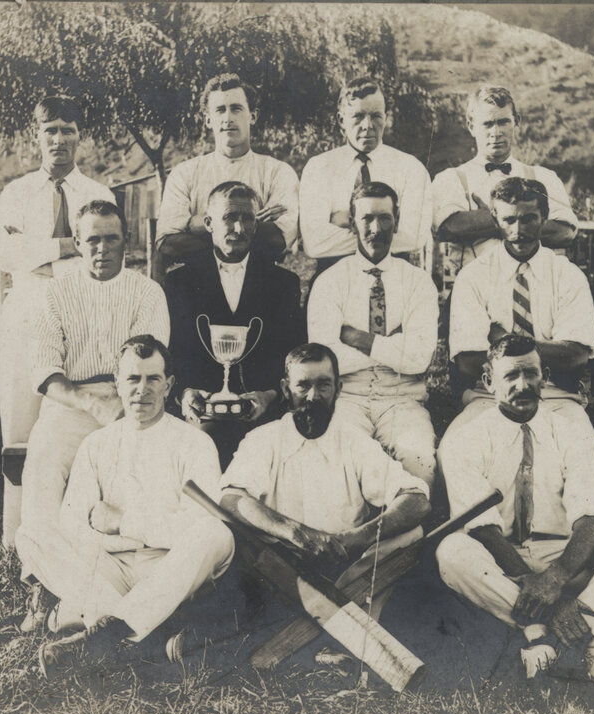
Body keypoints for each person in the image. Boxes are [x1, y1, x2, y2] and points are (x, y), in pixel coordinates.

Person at [436, 334, 594, 682]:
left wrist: (556, 578)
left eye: (531, 374)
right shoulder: (465, 439)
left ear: (545, 375)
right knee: (452, 553)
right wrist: (543, 590)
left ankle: (558, 641)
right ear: (488, 382)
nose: (523, 385)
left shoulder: (572, 431)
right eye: (510, 377)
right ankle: (571, 641)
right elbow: (484, 531)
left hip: (569, 557)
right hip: (505, 564)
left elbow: (589, 522)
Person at [20, 336, 235, 678]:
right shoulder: (96, 443)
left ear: (169, 385)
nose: (142, 389)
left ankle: (101, 631)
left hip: (168, 568)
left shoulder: (195, 443)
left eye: (153, 379)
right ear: (117, 384)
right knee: (31, 534)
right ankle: (139, 632)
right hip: (111, 569)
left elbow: (195, 526)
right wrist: (114, 546)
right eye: (133, 379)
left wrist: (124, 523)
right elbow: (75, 522)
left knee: (214, 533)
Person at [16, 200, 170, 630]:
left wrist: (121, 405)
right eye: (93, 240)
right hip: (70, 403)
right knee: (43, 465)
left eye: (112, 239)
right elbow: (46, 371)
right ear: (78, 243)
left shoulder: (147, 291)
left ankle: (115, 587)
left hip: (132, 400)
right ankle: (43, 589)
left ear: (128, 242)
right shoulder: (56, 292)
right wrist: (91, 404)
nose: (103, 249)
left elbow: (149, 365)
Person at [220, 343, 430, 637]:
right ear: (285, 388)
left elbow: (416, 500)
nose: (313, 396)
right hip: (283, 568)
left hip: (346, 564)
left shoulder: (354, 440)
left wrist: (358, 538)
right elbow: (231, 499)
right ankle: (347, 629)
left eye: (324, 385)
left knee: (411, 534)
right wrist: (295, 533)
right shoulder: (263, 439)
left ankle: (336, 625)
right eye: (303, 385)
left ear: (339, 388)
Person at [0, 96, 115, 454]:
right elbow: (1, 251)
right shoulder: (17, 193)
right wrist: (67, 246)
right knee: (19, 424)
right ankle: (16, 512)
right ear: (36, 135)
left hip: (82, 312)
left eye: (67, 131)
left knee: (76, 422)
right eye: (50, 131)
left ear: (80, 135)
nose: (58, 140)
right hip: (26, 312)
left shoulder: (98, 195)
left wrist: (33, 254)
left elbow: (103, 258)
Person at [164, 181, 306, 467]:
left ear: (256, 225)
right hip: (201, 411)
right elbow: (173, 351)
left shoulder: (283, 283)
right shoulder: (179, 282)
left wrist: (271, 395)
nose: (239, 229)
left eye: (247, 219)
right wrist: (184, 393)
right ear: (209, 223)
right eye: (230, 217)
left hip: (264, 410)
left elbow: (293, 351)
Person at [307, 182, 439, 488]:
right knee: (336, 464)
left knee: (420, 463)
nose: (376, 229)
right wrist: (394, 345)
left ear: (397, 219)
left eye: (385, 218)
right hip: (347, 397)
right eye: (366, 218)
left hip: (403, 398)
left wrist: (357, 337)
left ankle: (410, 535)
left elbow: (419, 358)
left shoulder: (418, 282)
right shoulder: (330, 282)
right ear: (353, 221)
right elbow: (325, 358)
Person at [447, 176, 594, 439]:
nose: (518, 231)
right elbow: (468, 363)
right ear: (495, 221)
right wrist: (545, 350)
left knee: (580, 454)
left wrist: (504, 341)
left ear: (545, 217)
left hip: (555, 397)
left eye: (529, 218)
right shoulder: (474, 276)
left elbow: (575, 356)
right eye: (509, 220)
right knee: (453, 452)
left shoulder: (567, 276)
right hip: (489, 397)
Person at [157, 73, 299, 266]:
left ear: (253, 116)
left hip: (258, 282)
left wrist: (194, 224)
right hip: (200, 284)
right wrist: (252, 223)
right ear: (208, 120)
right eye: (220, 110)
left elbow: (277, 240)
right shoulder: (185, 173)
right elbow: (168, 245)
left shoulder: (277, 172)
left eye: (236, 109)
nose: (228, 118)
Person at [432, 85, 577, 270]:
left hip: (531, 288)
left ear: (516, 122)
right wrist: (523, 219)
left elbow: (564, 232)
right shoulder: (450, 179)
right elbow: (450, 227)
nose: (496, 132)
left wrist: (486, 219)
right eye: (488, 124)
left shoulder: (544, 177)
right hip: (474, 289)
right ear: (471, 126)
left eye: (503, 122)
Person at [300, 77, 433, 275]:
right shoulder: (320, 168)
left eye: (376, 116)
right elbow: (314, 243)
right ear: (341, 120)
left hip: (393, 281)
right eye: (358, 116)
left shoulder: (410, 168)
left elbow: (413, 238)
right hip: (333, 281)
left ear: (386, 118)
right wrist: (385, 227)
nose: (368, 125)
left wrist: (344, 220)